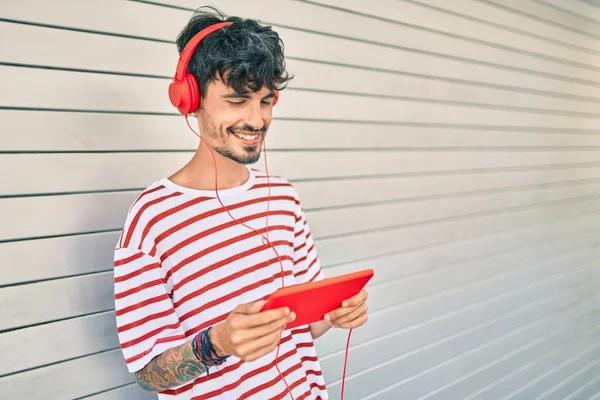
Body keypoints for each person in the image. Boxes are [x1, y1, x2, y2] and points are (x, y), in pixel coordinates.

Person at [113, 6, 369, 399]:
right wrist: (216, 343)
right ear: (190, 99)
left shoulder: (283, 197)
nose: (257, 120)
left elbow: (304, 325)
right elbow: (149, 375)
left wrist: (334, 315)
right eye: (237, 100)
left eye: (266, 101)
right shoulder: (153, 218)